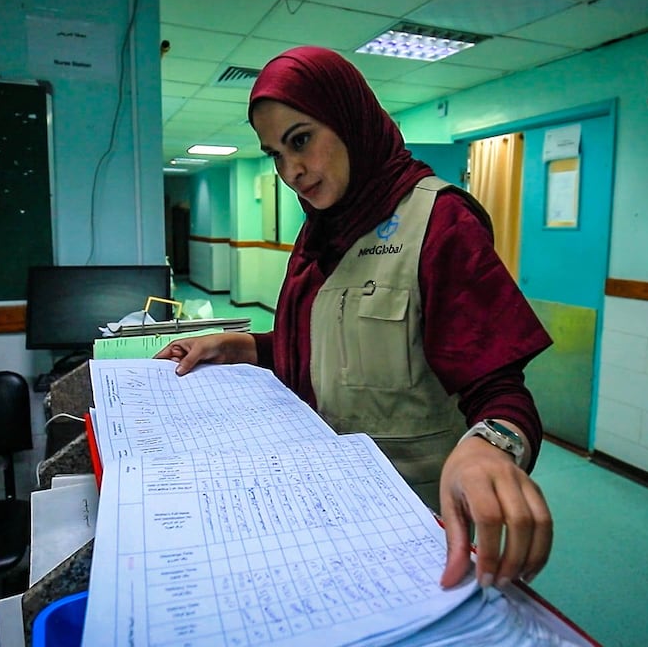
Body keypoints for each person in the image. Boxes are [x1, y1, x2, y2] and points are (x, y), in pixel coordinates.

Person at [156, 46, 554, 591]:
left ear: (349, 120)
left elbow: (502, 393)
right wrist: (244, 347)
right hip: (329, 505)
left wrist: (491, 447)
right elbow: (333, 347)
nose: (291, 172)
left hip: (417, 523)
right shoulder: (324, 226)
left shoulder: (438, 223)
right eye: (274, 154)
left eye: (301, 141)